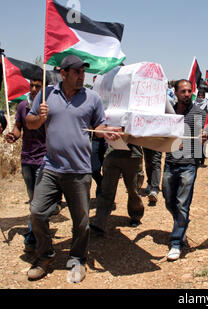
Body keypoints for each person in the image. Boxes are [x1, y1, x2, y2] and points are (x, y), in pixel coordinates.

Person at [25, 55, 122, 282]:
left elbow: (97, 126)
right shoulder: (47, 94)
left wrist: (105, 132)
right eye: (77, 72)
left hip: (79, 169)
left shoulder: (92, 98)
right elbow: (29, 123)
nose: (81, 76)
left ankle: (78, 259)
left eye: (83, 72)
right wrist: (39, 118)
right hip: (50, 167)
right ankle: (45, 255)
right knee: (37, 212)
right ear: (64, 73)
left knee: (81, 222)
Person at [162, 79, 207, 261]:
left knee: (183, 204)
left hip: (188, 164)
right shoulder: (168, 112)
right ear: (176, 92)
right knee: (168, 201)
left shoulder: (198, 113)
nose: (187, 94)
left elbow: (205, 134)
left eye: (189, 91)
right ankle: (181, 223)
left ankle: (176, 242)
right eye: (183, 91)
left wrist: (205, 137)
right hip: (170, 162)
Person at [5, 77, 48, 252]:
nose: (34, 89)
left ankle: (34, 234)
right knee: (32, 198)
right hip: (26, 159)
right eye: (32, 85)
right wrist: (13, 135)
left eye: (38, 86)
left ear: (44, 88)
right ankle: (38, 229)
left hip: (44, 159)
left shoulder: (47, 108)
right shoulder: (23, 106)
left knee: (38, 200)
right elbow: (18, 127)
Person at [90, 142, 145, 234]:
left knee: (133, 191)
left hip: (133, 155)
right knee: (106, 191)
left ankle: (136, 215)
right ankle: (99, 223)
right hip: (112, 155)